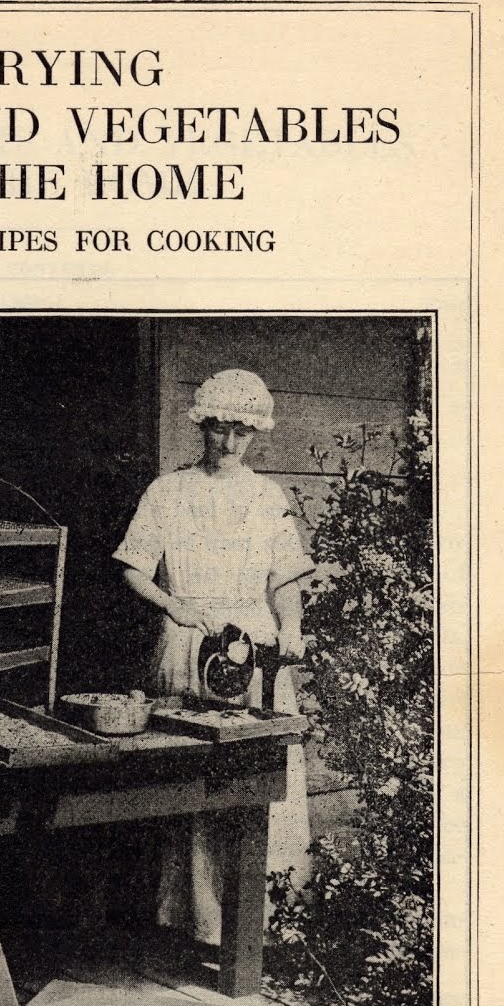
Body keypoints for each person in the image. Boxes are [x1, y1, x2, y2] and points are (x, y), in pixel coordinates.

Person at [113, 368, 312, 949]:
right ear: (201, 426)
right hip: (186, 641)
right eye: (219, 430)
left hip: (252, 646)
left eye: (241, 434)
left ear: (254, 437)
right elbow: (131, 568)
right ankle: (194, 925)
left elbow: (285, 580)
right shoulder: (167, 492)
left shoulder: (266, 497)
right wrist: (172, 605)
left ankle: (260, 924)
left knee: (257, 777)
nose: (228, 443)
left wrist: (291, 626)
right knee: (193, 783)